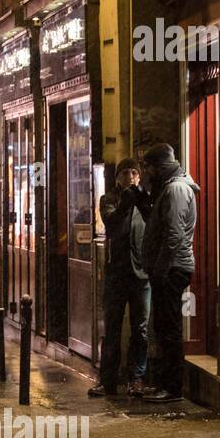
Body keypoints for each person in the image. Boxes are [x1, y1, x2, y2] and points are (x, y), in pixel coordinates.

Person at [139, 142, 199, 403]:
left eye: (147, 168)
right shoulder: (168, 187)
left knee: (169, 329)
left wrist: (161, 270)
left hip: (173, 269)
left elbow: (173, 234)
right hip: (169, 267)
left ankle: (173, 388)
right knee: (163, 328)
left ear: (159, 167)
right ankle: (164, 383)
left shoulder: (175, 189)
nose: (145, 173)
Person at [91, 157, 151, 398]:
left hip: (141, 275)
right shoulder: (109, 200)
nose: (130, 177)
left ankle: (136, 378)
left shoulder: (145, 199)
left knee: (141, 329)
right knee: (112, 328)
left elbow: (154, 223)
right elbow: (112, 223)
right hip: (116, 274)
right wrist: (127, 201)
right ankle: (107, 380)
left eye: (134, 173)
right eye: (125, 173)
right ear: (117, 177)